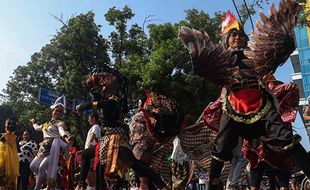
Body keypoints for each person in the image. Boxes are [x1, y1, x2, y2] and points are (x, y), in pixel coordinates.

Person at [178, 1, 310, 190]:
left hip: (261, 102)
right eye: (233, 35)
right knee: (222, 147)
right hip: (234, 105)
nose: (238, 37)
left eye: (240, 34)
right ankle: (212, 184)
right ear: (225, 40)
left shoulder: (254, 56)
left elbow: (278, 50)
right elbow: (206, 67)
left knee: (285, 138)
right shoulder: (222, 59)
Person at [76, 70, 169, 190]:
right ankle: (81, 184)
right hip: (106, 139)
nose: (103, 85)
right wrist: (92, 88)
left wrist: (85, 106)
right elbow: (99, 100)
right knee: (87, 156)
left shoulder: (115, 99)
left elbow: (102, 104)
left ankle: (161, 185)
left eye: (104, 83)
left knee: (134, 164)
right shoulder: (108, 97)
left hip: (116, 138)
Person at [29, 98, 70, 190]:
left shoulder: (60, 123)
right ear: (52, 111)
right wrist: (33, 123)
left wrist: (65, 136)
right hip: (43, 148)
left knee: (41, 168)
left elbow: (61, 131)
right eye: (56, 110)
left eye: (60, 111)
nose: (58, 112)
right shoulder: (46, 124)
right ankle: (53, 180)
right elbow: (37, 128)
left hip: (53, 148)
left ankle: (37, 187)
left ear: (62, 114)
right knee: (33, 166)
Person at [75, 112, 101, 190]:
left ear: (93, 118)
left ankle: (90, 187)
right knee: (89, 170)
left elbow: (91, 140)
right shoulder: (95, 127)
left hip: (91, 153)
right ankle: (90, 187)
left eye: (89, 118)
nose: (88, 120)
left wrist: (87, 150)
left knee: (90, 170)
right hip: (91, 151)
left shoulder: (95, 126)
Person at [0, 118, 19, 190]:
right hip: (3, 162)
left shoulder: (15, 137)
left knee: (8, 181)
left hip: (11, 164)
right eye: (8, 123)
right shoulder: (3, 136)